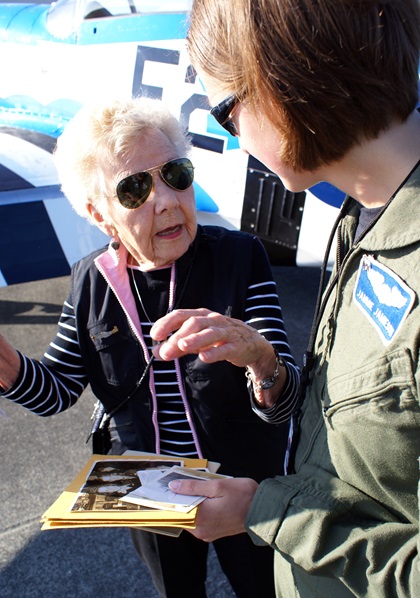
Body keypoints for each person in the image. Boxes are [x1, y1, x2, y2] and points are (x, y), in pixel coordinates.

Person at [150, 1, 420, 596]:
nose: (232, 133)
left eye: (225, 111)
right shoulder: (365, 216)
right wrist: (267, 367)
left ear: (282, 85)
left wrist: (267, 512)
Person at [0, 96, 301, 597]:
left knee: (263, 588)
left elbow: (285, 402)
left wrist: (261, 358)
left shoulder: (241, 257)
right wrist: (8, 367)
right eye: (135, 188)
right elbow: (56, 392)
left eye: (175, 174)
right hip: (148, 488)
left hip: (242, 484)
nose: (166, 199)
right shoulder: (91, 282)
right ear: (101, 215)